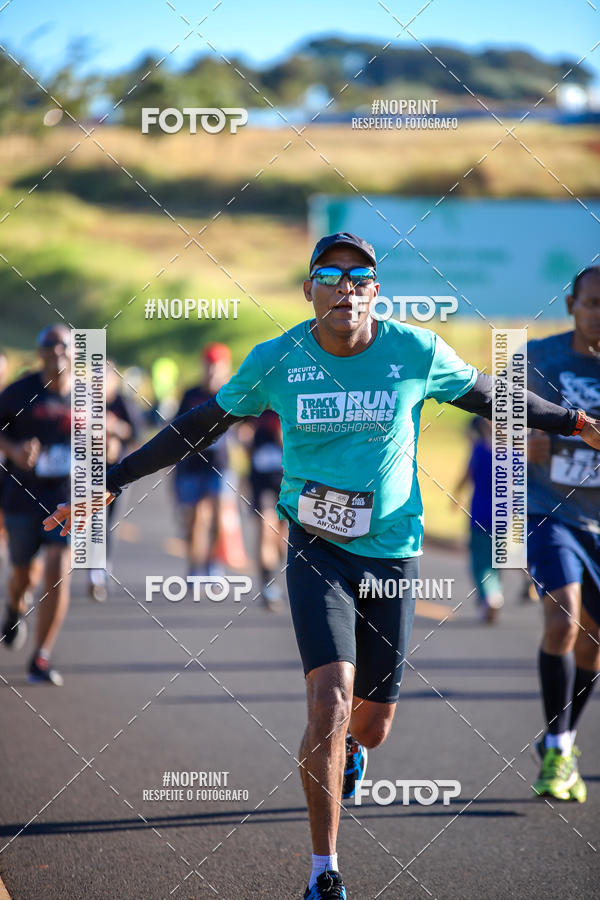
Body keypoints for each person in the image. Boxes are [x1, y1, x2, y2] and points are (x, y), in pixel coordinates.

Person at [44, 234, 600, 898]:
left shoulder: (413, 351)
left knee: (371, 722)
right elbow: (201, 423)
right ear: (310, 290)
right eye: (329, 276)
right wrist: (114, 476)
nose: (345, 287)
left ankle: (356, 753)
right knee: (328, 702)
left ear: (374, 291)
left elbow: (490, 397)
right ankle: (323, 871)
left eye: (359, 276)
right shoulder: (277, 359)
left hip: (393, 551)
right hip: (313, 545)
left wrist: (575, 422)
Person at [527, 266, 600, 803]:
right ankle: (556, 748)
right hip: (551, 513)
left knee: (594, 643)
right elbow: (490, 414)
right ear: (572, 304)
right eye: (593, 303)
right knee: (564, 617)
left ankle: (564, 738)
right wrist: (518, 434)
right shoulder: (538, 358)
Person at [1, 325, 71, 685]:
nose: (57, 351)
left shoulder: (89, 397)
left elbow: (113, 434)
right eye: (49, 345)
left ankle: (41, 657)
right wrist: (14, 450)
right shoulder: (20, 392)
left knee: (58, 570)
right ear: (40, 352)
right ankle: (13, 609)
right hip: (21, 497)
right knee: (23, 576)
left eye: (64, 345)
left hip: (68, 500)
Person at [172, 343, 236, 578]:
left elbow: (250, 423)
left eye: (217, 365)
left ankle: (213, 564)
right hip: (191, 465)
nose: (212, 370)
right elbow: (175, 428)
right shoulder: (191, 394)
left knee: (219, 517)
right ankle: (194, 566)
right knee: (195, 519)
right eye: (208, 365)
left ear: (226, 367)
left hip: (220, 465)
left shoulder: (232, 393)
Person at [88, 361, 142, 602]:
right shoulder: (85, 403)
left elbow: (138, 435)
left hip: (118, 474)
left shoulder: (124, 404)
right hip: (88, 471)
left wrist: (117, 430)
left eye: (104, 378)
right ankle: (93, 570)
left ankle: (101, 570)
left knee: (109, 521)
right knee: (91, 518)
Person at [454, 417, 504, 622]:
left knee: (479, 560)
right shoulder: (509, 453)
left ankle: (490, 596)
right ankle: (496, 591)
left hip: (480, 513)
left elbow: (466, 476)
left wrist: (455, 497)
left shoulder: (479, 450)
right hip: (503, 514)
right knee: (497, 557)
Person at [247, 410, 287, 611]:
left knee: (282, 540)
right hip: (261, 482)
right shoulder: (257, 400)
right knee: (265, 530)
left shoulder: (292, 399)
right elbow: (240, 428)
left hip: (287, 483)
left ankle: (272, 578)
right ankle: (267, 586)